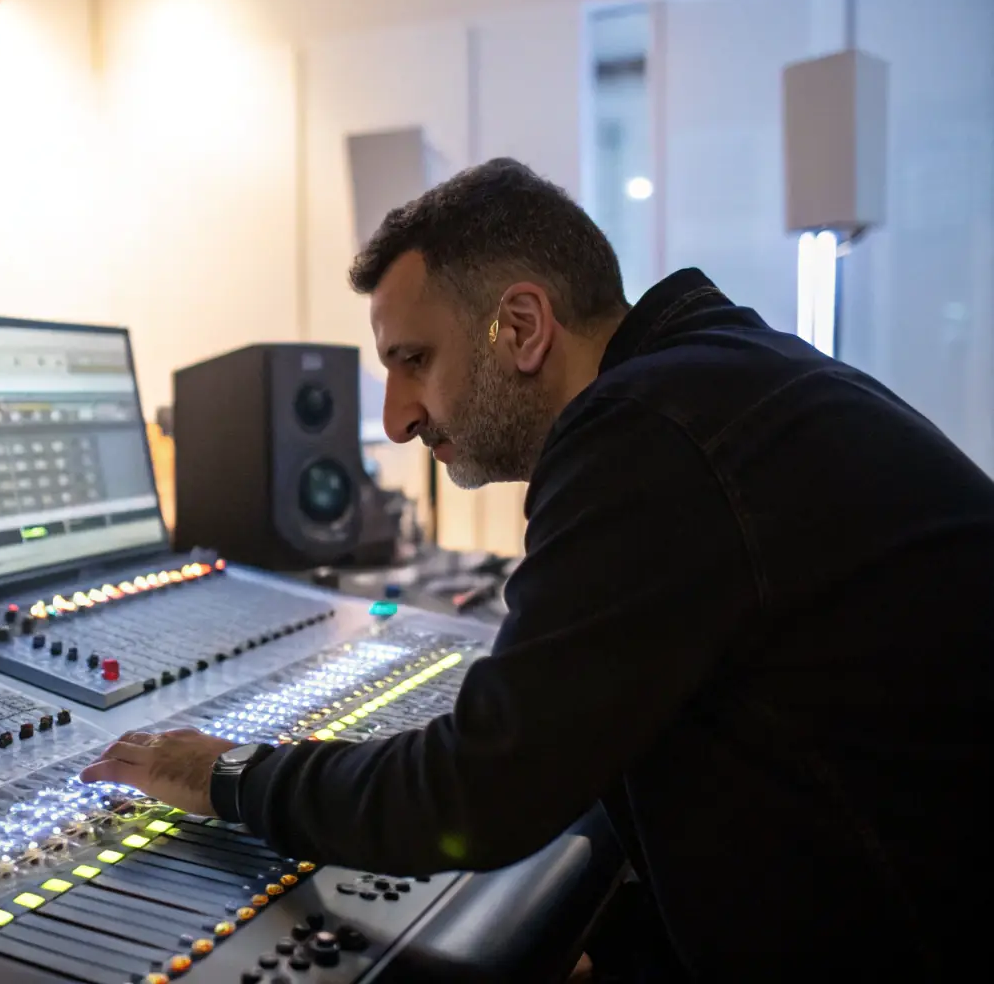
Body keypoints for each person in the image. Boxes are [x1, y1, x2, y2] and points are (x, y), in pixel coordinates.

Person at [82, 158, 992, 980]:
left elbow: (478, 793)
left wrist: (226, 775)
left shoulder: (648, 428)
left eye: (413, 361)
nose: (396, 418)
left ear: (519, 326)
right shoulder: (712, 375)